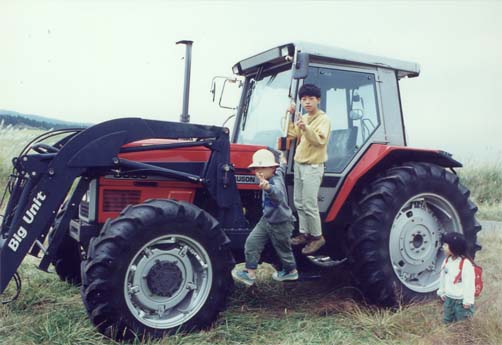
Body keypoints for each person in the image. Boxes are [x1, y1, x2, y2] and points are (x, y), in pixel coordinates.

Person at [232, 149, 298, 286]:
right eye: (256, 168)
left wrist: (268, 188)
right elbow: (282, 168)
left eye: (263, 168)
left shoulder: (274, 182)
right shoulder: (277, 171)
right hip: (267, 219)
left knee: (283, 249)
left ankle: (291, 271)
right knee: (251, 242)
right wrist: (283, 160)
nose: (258, 172)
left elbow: (278, 195)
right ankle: (250, 273)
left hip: (281, 222)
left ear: (271, 168)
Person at [286, 83, 331, 255]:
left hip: (313, 166)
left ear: (318, 100)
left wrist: (306, 129)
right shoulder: (303, 118)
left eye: (311, 99)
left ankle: (317, 237)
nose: (307, 102)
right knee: (298, 202)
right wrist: (290, 117)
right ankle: (304, 233)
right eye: (304, 99)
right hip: (299, 164)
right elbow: (292, 135)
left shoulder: (323, 119)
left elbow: (319, 140)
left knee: (310, 203)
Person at [437, 232, 475, 323]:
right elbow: (442, 278)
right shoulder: (446, 261)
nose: (443, 247)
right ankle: (448, 335)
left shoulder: (465, 264)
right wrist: (442, 291)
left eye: (446, 245)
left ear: (454, 247)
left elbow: (469, 283)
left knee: (462, 323)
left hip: (461, 302)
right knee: (447, 320)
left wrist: (468, 300)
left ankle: (462, 337)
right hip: (449, 299)